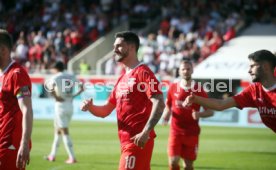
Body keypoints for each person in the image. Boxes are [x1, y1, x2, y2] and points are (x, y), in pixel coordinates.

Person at [80, 31, 165, 170]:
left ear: (131, 47)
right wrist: (91, 107)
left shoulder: (143, 72)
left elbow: (159, 102)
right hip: (126, 142)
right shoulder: (121, 78)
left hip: (137, 141)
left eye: (119, 46)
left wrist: (146, 132)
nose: (114, 49)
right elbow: (106, 110)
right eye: (114, 46)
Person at [183, 49, 276, 133]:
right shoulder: (254, 90)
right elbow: (221, 105)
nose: (249, 71)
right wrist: (196, 99)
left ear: (265, 67)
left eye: (252, 66)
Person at [162, 58, 213, 170]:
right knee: (174, 161)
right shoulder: (173, 87)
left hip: (191, 133)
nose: (185, 71)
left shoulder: (199, 90)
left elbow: (210, 111)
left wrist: (199, 115)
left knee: (188, 165)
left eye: (188, 69)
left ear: (192, 70)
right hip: (175, 131)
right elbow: (169, 105)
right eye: (183, 69)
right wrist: (166, 115)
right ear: (179, 71)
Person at [0, 29, 33, 170]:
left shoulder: (17, 74)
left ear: (2, 50)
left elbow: (27, 110)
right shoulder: (2, 74)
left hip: (11, 143)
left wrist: (24, 143)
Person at [45, 61, 84, 164]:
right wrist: (73, 96)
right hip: (70, 104)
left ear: (56, 68)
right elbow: (82, 87)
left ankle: (72, 157)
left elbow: (50, 88)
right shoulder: (71, 76)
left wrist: (56, 96)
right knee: (58, 130)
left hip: (60, 105)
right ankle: (52, 155)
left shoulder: (56, 77)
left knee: (64, 131)